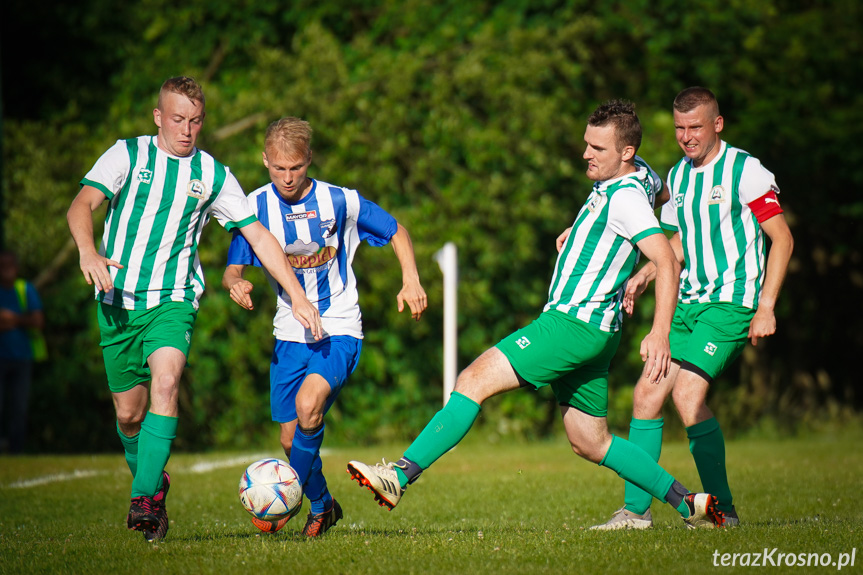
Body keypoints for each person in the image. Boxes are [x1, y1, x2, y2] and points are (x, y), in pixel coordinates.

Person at [347, 100, 726, 529]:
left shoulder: (625, 199)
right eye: (587, 144)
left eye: (598, 148)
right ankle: (688, 502)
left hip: (570, 324)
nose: (586, 154)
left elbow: (666, 260)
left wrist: (660, 332)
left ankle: (398, 476)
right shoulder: (637, 177)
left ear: (624, 151)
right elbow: (659, 189)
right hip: (597, 331)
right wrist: (586, 226)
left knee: (472, 381)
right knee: (590, 439)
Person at [66, 77, 323, 542]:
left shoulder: (214, 174)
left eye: (196, 120)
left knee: (167, 381)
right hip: (118, 302)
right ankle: (154, 484)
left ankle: (143, 499)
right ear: (159, 117)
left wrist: (297, 295)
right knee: (128, 415)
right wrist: (88, 250)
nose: (186, 129)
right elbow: (82, 204)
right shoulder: (127, 155)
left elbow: (258, 235)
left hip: (173, 300)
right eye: (178, 119)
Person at [590, 87, 794, 531]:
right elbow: (677, 244)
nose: (686, 137)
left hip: (731, 305)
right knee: (645, 395)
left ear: (717, 124)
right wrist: (644, 274)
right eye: (680, 128)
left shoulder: (746, 171)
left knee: (686, 395)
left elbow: (783, 238)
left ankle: (724, 512)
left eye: (695, 127)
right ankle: (635, 513)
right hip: (688, 304)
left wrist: (767, 306)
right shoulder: (678, 177)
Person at [223, 117, 428, 537]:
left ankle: (283, 504)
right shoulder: (254, 207)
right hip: (288, 333)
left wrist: (411, 278)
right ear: (265, 161)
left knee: (308, 405)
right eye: (278, 168)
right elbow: (232, 267)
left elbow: (397, 231)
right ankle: (323, 506)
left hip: (339, 327)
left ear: (309, 159)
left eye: (295, 168)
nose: (287, 177)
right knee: (287, 439)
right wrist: (236, 282)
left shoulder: (339, 201)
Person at [0, 250, 46, 454]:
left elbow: (38, 321)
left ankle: (16, 450)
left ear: (16, 268)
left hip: (22, 358)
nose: (6, 271)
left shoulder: (24, 289)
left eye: (10, 266)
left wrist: (13, 319)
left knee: (19, 408)